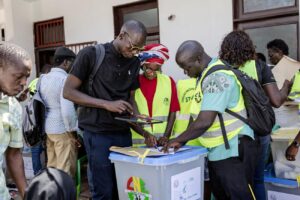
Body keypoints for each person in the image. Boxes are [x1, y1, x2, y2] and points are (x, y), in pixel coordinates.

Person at [164, 40, 259, 200]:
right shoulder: (204, 77)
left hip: (232, 149)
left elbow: (204, 121)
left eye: (187, 67)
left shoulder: (217, 78)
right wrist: (183, 142)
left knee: (240, 196)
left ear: (199, 59)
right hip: (219, 151)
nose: (186, 73)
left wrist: (178, 139)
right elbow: (196, 117)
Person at [63, 20, 147, 200]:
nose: (134, 53)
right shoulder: (92, 54)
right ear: (121, 35)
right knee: (103, 191)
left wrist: (139, 119)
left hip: (123, 133)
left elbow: (131, 99)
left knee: (124, 188)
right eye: (132, 47)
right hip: (97, 134)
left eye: (139, 50)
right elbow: (68, 92)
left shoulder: (134, 62)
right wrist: (106, 104)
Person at [219, 30, 291, 200]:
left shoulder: (220, 70)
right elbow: (276, 101)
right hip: (259, 131)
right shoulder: (260, 67)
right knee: (257, 180)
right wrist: (287, 83)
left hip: (232, 135)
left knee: (235, 181)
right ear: (249, 48)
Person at [131, 43, 180, 146]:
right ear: (142, 65)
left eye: (156, 69)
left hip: (162, 145)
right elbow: (130, 116)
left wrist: (166, 136)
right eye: (148, 68)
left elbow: (173, 112)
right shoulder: (133, 83)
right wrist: (145, 135)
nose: (152, 73)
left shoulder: (168, 81)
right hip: (139, 145)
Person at [39, 47, 78, 177]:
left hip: (48, 128)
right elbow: (67, 110)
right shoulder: (65, 80)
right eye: (73, 63)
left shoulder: (43, 78)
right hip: (63, 129)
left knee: (52, 167)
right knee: (65, 171)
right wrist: (73, 130)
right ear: (66, 63)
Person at [0, 42, 31, 199]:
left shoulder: (14, 108)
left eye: (27, 77)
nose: (24, 83)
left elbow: (13, 154)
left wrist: (26, 194)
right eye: (19, 76)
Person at [28, 64, 52, 175]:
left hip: (32, 119)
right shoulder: (42, 82)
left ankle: (37, 172)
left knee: (36, 148)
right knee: (40, 148)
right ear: (47, 73)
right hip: (40, 120)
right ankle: (41, 172)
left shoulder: (33, 82)